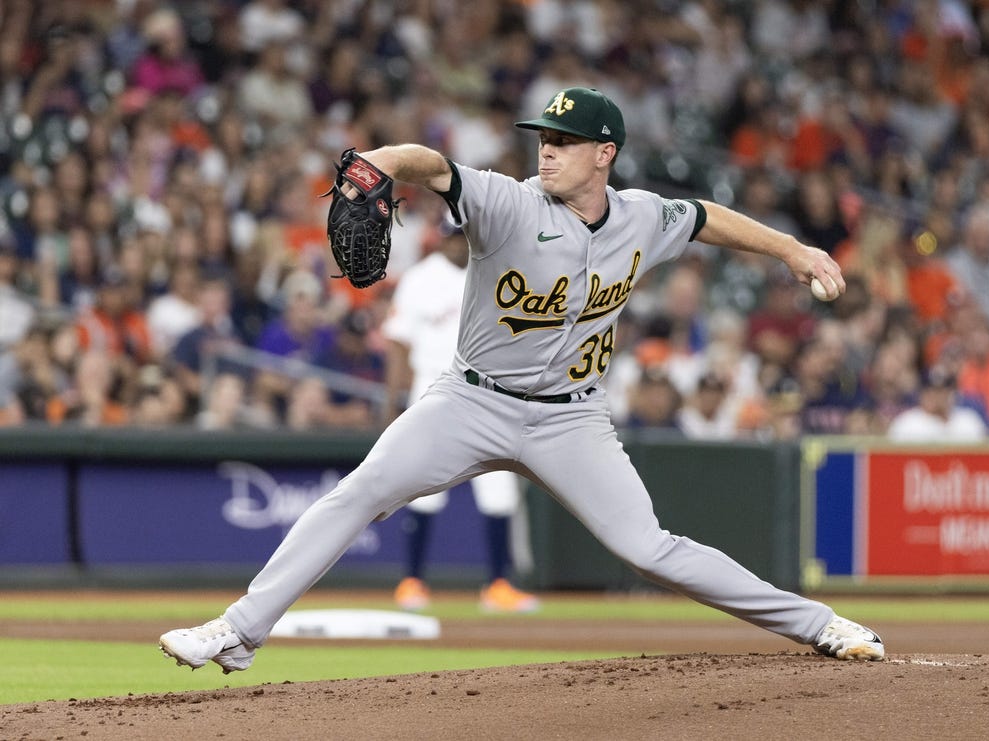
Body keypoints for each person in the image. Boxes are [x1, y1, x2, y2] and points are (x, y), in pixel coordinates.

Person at [159, 87, 883, 675]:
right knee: (359, 492)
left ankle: (819, 624)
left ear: (605, 153)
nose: (547, 150)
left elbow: (702, 218)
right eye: (543, 138)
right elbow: (428, 163)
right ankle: (237, 630)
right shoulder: (507, 202)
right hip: (468, 401)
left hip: (572, 419)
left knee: (648, 547)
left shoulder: (638, 217)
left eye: (563, 141)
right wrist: (376, 160)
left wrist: (791, 249)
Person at [383, 220, 539, 614]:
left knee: (500, 488)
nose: (458, 243)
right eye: (452, 236)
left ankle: (499, 585)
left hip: (489, 393)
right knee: (422, 488)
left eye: (463, 236)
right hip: (431, 388)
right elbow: (399, 342)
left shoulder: (494, 272)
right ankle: (412, 581)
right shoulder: (420, 278)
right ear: (440, 237)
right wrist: (393, 400)